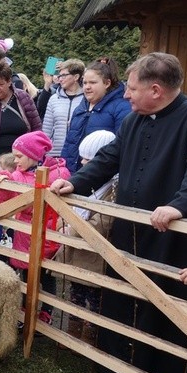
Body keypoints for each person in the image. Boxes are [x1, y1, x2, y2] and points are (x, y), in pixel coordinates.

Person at [50, 52, 187, 373]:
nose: (125, 94)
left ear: (156, 89)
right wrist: (75, 183)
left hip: (172, 236)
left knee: (162, 305)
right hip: (129, 231)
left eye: (133, 88)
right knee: (123, 298)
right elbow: (110, 159)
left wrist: (178, 206)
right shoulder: (133, 121)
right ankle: (118, 371)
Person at [0, 131, 71, 324]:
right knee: (26, 274)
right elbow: (7, 202)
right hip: (23, 232)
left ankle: (46, 312)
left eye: (19, 156)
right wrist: (4, 184)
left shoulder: (58, 175)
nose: (16, 160)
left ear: (34, 155)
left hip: (46, 233)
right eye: (14, 156)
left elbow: (38, 204)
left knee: (45, 275)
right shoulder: (18, 174)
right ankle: (25, 309)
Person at [56, 130, 117, 345]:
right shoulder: (82, 185)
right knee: (75, 293)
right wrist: (62, 224)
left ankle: (89, 338)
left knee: (94, 297)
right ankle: (72, 334)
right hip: (76, 250)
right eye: (82, 158)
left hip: (93, 253)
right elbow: (65, 208)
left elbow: (104, 221)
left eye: (89, 160)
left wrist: (71, 230)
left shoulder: (113, 190)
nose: (83, 163)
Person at [60, 61, 131, 173]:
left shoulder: (122, 108)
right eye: (85, 83)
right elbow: (69, 142)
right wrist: (63, 168)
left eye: (92, 82)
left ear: (107, 83)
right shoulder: (80, 108)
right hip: (73, 174)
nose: (87, 87)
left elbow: (122, 148)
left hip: (100, 175)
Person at [41, 59, 85, 157]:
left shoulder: (87, 99)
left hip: (78, 155)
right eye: (60, 75)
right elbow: (46, 130)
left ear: (76, 77)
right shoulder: (54, 99)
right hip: (54, 154)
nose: (60, 79)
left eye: (64, 75)